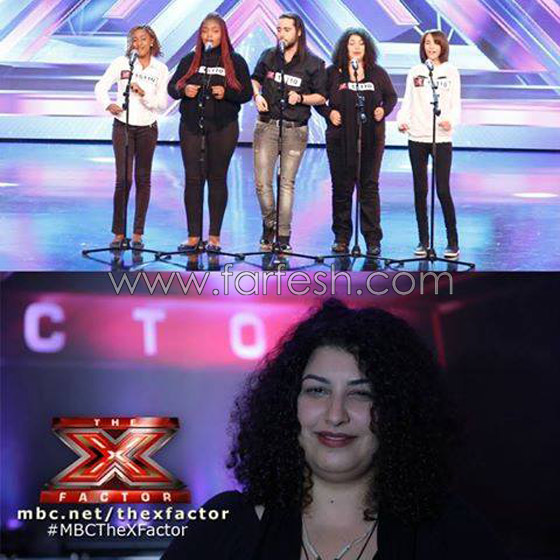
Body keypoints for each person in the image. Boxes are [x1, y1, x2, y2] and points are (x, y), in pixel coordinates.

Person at [163, 299, 508, 559]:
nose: (335, 415)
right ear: (289, 405)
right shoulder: (223, 527)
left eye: (361, 394)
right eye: (317, 390)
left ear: (398, 411)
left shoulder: (454, 534)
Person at [168, 13, 252, 252]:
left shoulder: (235, 61)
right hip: (191, 127)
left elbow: (246, 93)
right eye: (205, 31)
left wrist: (227, 93)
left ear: (223, 33)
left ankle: (214, 237)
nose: (209, 35)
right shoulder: (190, 60)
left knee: (217, 178)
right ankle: (193, 236)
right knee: (193, 179)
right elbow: (172, 87)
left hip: (223, 127)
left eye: (214, 31)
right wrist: (184, 90)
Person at [316, 29, 397, 256]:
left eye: (361, 43)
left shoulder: (377, 72)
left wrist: (383, 110)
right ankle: (341, 237)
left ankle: (372, 239)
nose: (357, 47)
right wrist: (329, 113)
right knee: (341, 188)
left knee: (369, 187)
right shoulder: (333, 73)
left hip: (371, 137)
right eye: (352, 43)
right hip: (339, 138)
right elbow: (319, 98)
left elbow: (391, 97)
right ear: (345, 47)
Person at [251, 13, 327, 253]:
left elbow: (321, 96)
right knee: (262, 183)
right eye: (279, 29)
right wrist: (257, 95)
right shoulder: (269, 56)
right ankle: (269, 224)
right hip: (267, 126)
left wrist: (301, 98)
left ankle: (283, 236)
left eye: (286, 29)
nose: (281, 34)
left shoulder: (314, 63)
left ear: (298, 31)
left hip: (295, 129)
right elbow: (255, 80)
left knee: (286, 183)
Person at [94, 25, 168, 250]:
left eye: (143, 39)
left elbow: (162, 105)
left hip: (147, 129)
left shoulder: (160, 69)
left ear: (152, 41)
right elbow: (100, 87)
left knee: (143, 179)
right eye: (134, 40)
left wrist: (144, 95)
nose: (138, 43)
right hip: (123, 127)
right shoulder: (122, 63)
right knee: (123, 180)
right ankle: (119, 233)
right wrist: (108, 104)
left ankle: (137, 234)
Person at [396, 30, 461, 259]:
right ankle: (423, 240)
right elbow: (408, 101)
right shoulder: (416, 71)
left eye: (435, 43)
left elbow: (455, 104)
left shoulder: (450, 71)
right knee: (420, 190)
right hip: (417, 136)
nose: (431, 47)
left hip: (441, 138)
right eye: (427, 43)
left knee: (442, 190)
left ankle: (452, 241)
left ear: (443, 46)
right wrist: (402, 121)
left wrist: (450, 121)